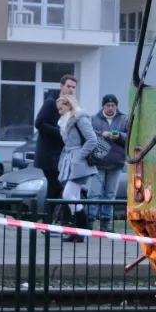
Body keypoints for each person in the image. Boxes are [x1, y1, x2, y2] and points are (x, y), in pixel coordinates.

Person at [56, 93, 98, 244]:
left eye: (61, 108)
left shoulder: (80, 117)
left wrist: (79, 156)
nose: (59, 111)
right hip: (71, 158)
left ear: (69, 105)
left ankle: (82, 226)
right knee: (74, 195)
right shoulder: (66, 120)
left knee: (68, 195)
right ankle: (77, 232)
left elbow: (92, 139)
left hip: (78, 160)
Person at [34, 74, 76, 204]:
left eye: (73, 87)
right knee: (54, 189)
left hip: (61, 155)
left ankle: (54, 219)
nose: (71, 90)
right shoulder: (51, 102)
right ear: (61, 86)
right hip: (49, 156)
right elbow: (40, 123)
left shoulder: (70, 105)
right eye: (68, 86)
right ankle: (47, 221)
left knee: (58, 190)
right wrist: (60, 132)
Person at [90, 94, 129, 231]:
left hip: (116, 161)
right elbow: (89, 134)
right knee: (94, 193)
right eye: (108, 105)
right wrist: (103, 134)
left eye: (113, 105)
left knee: (110, 194)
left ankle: (106, 223)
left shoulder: (124, 119)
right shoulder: (94, 119)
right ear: (103, 106)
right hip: (98, 161)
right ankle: (90, 220)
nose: (111, 108)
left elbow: (131, 136)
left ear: (116, 106)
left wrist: (119, 136)